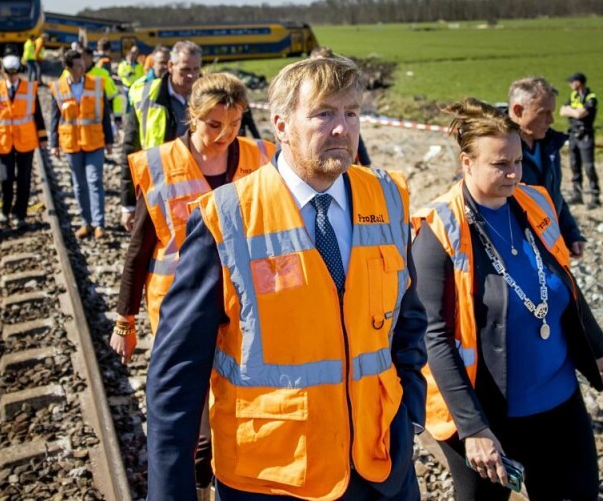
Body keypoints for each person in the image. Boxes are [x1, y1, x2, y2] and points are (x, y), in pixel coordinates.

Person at [145, 56, 427, 500]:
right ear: (281, 125)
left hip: (380, 468)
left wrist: (410, 410)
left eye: (351, 113)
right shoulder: (228, 218)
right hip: (273, 477)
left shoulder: (389, 198)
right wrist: (170, 491)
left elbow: (407, 321)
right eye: (323, 114)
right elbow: (178, 372)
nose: (342, 129)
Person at [412, 97, 603, 500]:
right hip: (488, 415)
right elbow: (434, 337)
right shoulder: (439, 230)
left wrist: (597, 346)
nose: (513, 173)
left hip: (559, 404)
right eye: (500, 164)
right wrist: (472, 429)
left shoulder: (534, 202)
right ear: (467, 163)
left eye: (517, 161)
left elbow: (563, 281)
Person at [111, 73, 276, 493]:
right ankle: (202, 489)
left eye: (235, 124)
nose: (225, 135)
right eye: (213, 125)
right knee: (197, 428)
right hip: (181, 315)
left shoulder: (261, 158)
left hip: (247, 310)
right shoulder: (162, 165)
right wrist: (124, 321)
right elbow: (139, 249)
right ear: (192, 117)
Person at [119, 41, 202, 232]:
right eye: (185, 69)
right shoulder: (145, 95)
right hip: (155, 189)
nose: (191, 76)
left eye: (196, 69)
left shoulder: (208, 96)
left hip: (198, 189)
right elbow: (130, 151)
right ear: (170, 66)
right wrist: (128, 204)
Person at [509, 77, 586, 258]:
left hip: (548, 246)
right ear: (518, 110)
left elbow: (553, 194)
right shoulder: (496, 151)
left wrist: (570, 232)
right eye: (544, 112)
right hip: (518, 253)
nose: (551, 120)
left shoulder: (549, 145)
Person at [49, 49, 115, 239]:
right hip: (72, 144)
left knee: (95, 181)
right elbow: (55, 118)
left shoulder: (96, 84)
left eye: (83, 65)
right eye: (78, 66)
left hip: (94, 141)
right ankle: (86, 222)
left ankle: (99, 224)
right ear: (68, 68)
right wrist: (54, 144)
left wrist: (109, 140)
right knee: (79, 184)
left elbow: (104, 114)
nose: (82, 68)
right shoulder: (58, 87)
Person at [0, 55, 47, 228]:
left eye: (15, 73)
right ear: (2, 72)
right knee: (6, 178)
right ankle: (5, 211)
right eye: (9, 73)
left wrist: (42, 137)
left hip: (25, 141)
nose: (12, 76)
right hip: (4, 140)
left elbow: (38, 115)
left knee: (24, 179)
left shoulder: (29, 88)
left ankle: (20, 214)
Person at [310, 44, 372, 165]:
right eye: (317, 65)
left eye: (326, 64)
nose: (322, 71)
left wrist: (365, 162)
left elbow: (354, 132)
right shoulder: (304, 91)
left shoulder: (343, 89)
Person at [559, 72, 600, 209]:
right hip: (573, 135)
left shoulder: (590, 97)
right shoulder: (573, 96)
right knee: (574, 165)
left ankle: (595, 195)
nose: (570, 84)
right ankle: (577, 193)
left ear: (579, 82)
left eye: (572, 82)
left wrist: (572, 111)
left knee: (588, 167)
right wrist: (574, 111)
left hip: (585, 136)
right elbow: (562, 111)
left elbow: (580, 113)